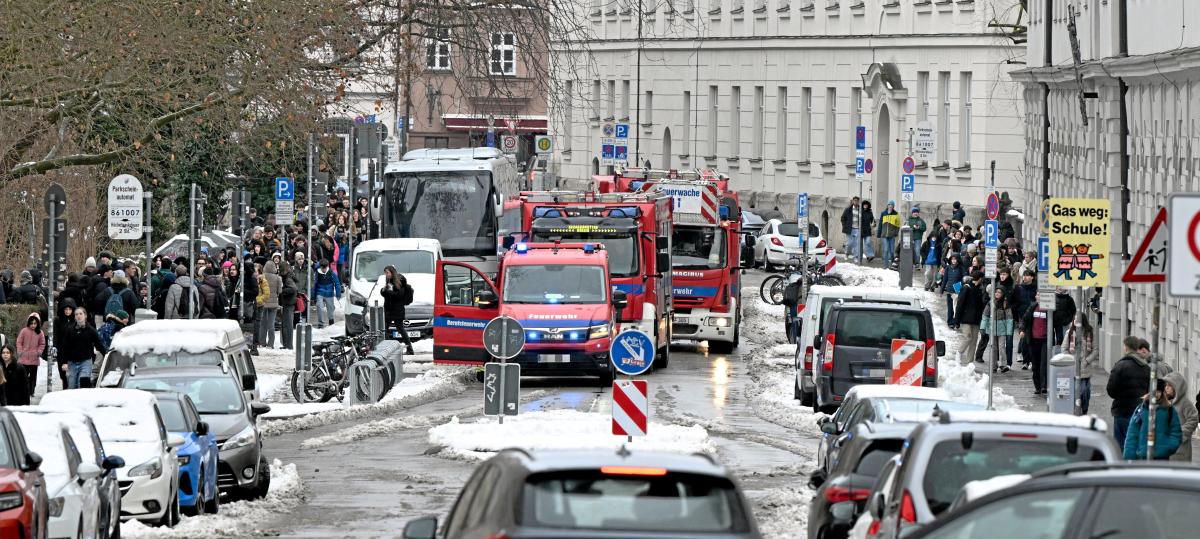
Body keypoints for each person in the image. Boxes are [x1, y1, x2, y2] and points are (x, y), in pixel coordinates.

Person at [1108, 336, 1157, 445]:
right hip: (1139, 412)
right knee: (1135, 444)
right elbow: (1151, 390)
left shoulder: (1119, 366)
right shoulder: (1146, 368)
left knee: (1121, 445)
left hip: (1121, 411)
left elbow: (1111, 390)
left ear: (1126, 348)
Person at [1123, 379, 1183, 460]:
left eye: (1158, 391)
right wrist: (1129, 456)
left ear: (1162, 393)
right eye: (1153, 391)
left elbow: (1176, 432)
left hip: (1162, 458)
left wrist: (1168, 447)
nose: (1155, 394)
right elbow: (1132, 433)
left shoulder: (1169, 410)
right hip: (1143, 457)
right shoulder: (1141, 409)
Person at [60, 307, 105, 389]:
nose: (78, 316)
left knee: (82, 385)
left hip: (85, 362)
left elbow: (98, 344)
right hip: (72, 363)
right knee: (72, 386)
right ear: (74, 317)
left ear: (85, 316)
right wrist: (64, 362)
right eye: (76, 314)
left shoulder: (91, 330)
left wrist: (107, 354)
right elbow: (65, 347)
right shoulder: (70, 330)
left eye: (81, 314)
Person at [379, 265, 416, 355]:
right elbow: (386, 294)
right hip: (389, 309)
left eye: (387, 272)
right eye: (385, 273)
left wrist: (387, 292)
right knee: (384, 329)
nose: (386, 275)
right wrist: (383, 290)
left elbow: (399, 295)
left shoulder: (399, 281)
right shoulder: (389, 281)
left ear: (392, 272)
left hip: (397, 309)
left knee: (400, 329)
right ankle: (388, 348)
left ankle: (409, 349)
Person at [1065, 314, 1097, 414]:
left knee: (1085, 392)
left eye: (1077, 319)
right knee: (1076, 392)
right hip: (1073, 369)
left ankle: (1084, 409)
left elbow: (1095, 350)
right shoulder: (1069, 333)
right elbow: (1064, 349)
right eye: (1074, 319)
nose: (1075, 321)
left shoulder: (1090, 333)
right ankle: (1076, 411)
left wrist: (1087, 361)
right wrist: (1070, 360)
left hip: (1085, 369)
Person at [977, 285, 1014, 372]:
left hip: (1002, 329)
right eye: (996, 292)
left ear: (1003, 294)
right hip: (992, 329)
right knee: (993, 347)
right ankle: (993, 365)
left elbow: (1009, 319)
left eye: (999, 292)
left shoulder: (1006, 304)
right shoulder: (990, 303)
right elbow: (985, 316)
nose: (997, 294)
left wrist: (1009, 332)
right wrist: (982, 327)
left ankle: (1003, 365)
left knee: (1001, 347)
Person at [1018, 298, 1050, 395]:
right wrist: (1022, 330)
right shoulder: (1033, 307)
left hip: (1045, 340)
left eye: (1042, 295)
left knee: (1044, 363)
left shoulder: (1049, 308)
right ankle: (1038, 386)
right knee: (1035, 364)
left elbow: (1056, 323)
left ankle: (1044, 385)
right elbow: (1024, 319)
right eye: (1038, 294)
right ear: (1036, 296)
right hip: (1033, 339)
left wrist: (1059, 337)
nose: (1040, 297)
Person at [1163, 372, 1197, 462]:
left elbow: (1193, 419)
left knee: (1179, 473)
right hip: (1166, 449)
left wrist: (1181, 433)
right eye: (1165, 385)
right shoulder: (1165, 402)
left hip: (1180, 451)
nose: (1166, 388)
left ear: (1176, 387)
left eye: (1169, 386)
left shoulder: (1185, 403)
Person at [15, 313, 45, 398]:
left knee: (33, 377)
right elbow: (19, 341)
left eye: (35, 323)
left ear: (38, 323)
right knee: (22, 376)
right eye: (31, 323)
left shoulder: (40, 333)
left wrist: (39, 352)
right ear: (28, 322)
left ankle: (31, 391)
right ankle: (23, 390)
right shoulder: (24, 331)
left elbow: (42, 343)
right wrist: (20, 351)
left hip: (34, 359)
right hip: (23, 358)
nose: (33, 325)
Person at [312, 260, 342, 329]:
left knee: (330, 308)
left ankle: (331, 320)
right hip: (320, 292)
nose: (324, 270)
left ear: (327, 267)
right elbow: (315, 284)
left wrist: (338, 294)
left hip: (329, 293)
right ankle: (320, 323)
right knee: (319, 306)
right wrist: (313, 296)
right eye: (322, 269)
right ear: (320, 267)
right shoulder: (317, 273)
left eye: (325, 268)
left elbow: (337, 283)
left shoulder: (331, 273)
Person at [260, 261, 282, 350]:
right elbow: (279, 291)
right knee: (271, 324)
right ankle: (270, 344)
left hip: (263, 303)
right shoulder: (278, 278)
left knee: (263, 324)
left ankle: (262, 342)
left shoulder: (262, 277)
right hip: (273, 304)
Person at [940, 254, 965, 329]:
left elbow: (964, 279)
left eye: (955, 259)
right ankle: (950, 322)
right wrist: (941, 290)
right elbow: (945, 279)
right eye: (952, 259)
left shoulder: (961, 268)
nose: (953, 261)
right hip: (949, 290)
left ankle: (957, 322)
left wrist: (959, 287)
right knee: (950, 307)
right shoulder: (948, 268)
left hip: (957, 291)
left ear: (958, 260)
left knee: (957, 308)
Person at [279, 261, 298, 349]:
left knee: (287, 325)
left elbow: (293, 289)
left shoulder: (288, 279)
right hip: (289, 303)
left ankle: (288, 345)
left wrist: (282, 291)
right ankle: (287, 344)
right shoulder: (289, 276)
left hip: (289, 303)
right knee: (287, 325)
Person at [878, 201, 901, 267]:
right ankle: (886, 266)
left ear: (893, 206)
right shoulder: (883, 213)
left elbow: (898, 225)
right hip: (884, 235)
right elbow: (880, 224)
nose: (890, 206)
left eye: (892, 205)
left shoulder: (896, 214)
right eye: (889, 205)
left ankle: (892, 264)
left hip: (892, 235)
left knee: (891, 251)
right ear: (887, 206)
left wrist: (895, 233)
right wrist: (879, 234)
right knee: (886, 250)